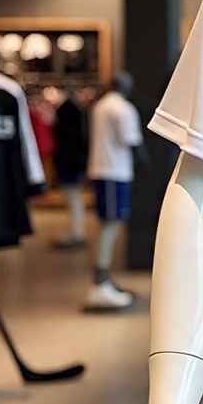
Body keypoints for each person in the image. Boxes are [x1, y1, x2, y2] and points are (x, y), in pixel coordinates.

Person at [84, 72, 143, 311]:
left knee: (110, 224)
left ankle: (103, 281)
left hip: (106, 170)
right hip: (113, 171)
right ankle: (100, 283)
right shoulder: (122, 108)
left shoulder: (101, 105)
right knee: (111, 224)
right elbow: (130, 140)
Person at [52, 90, 89, 249]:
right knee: (74, 198)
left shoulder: (67, 111)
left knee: (73, 198)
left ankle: (76, 234)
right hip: (73, 162)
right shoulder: (76, 111)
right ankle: (76, 232)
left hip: (69, 163)